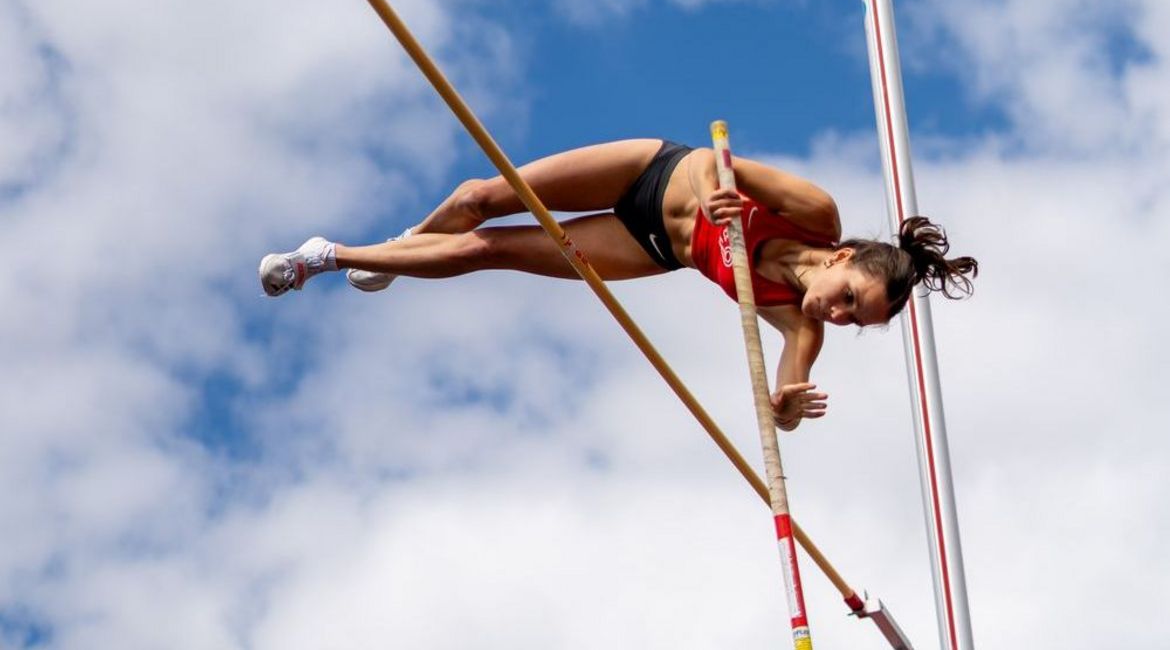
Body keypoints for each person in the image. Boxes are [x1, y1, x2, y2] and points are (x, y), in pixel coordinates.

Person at [259, 139, 977, 430]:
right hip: (654, 173)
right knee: (481, 198)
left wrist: (786, 408)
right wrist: (727, 192)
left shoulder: (800, 326)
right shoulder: (818, 213)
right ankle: (404, 245)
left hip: (652, 244)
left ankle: (324, 256)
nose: (839, 314)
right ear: (847, 255)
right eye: (851, 296)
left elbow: (780, 408)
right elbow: (721, 158)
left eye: (854, 322)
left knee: (490, 250)